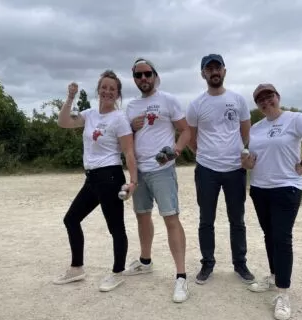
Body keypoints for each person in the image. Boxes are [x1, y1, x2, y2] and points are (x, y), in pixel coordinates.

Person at [241, 83, 302, 320]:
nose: (266, 101)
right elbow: (250, 158)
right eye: (260, 99)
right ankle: (272, 275)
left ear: (278, 97)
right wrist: (247, 163)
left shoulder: (294, 119)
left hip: (287, 187)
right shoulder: (256, 128)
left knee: (281, 237)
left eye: (270, 96)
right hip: (260, 188)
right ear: (257, 105)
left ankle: (283, 292)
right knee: (269, 235)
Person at [53, 70, 138, 293]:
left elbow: (129, 152)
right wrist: (70, 98)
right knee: (71, 219)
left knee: (115, 228)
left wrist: (133, 182)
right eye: (104, 87)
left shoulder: (119, 119)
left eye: (113, 89)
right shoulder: (90, 114)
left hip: (110, 177)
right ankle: (77, 268)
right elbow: (63, 122)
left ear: (118, 94)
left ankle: (117, 272)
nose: (107, 91)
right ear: (98, 90)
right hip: (92, 178)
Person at [123, 58, 191, 303]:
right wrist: (130, 126)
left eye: (147, 74)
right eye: (138, 75)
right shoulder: (130, 107)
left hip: (162, 169)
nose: (143, 79)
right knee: (142, 216)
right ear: (134, 79)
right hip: (139, 170)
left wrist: (176, 151)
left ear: (154, 75)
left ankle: (181, 276)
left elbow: (185, 130)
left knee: (171, 218)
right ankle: (145, 261)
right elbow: (124, 138)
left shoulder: (168, 100)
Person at [186, 53, 255, 285]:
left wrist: (241, 154)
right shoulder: (196, 104)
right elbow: (191, 138)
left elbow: (246, 132)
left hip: (235, 169)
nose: (214, 72)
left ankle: (240, 264)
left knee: (237, 219)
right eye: (209, 69)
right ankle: (207, 264)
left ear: (224, 71)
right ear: (203, 74)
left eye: (218, 68)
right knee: (206, 219)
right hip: (207, 170)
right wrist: (205, 155)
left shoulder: (238, 100)